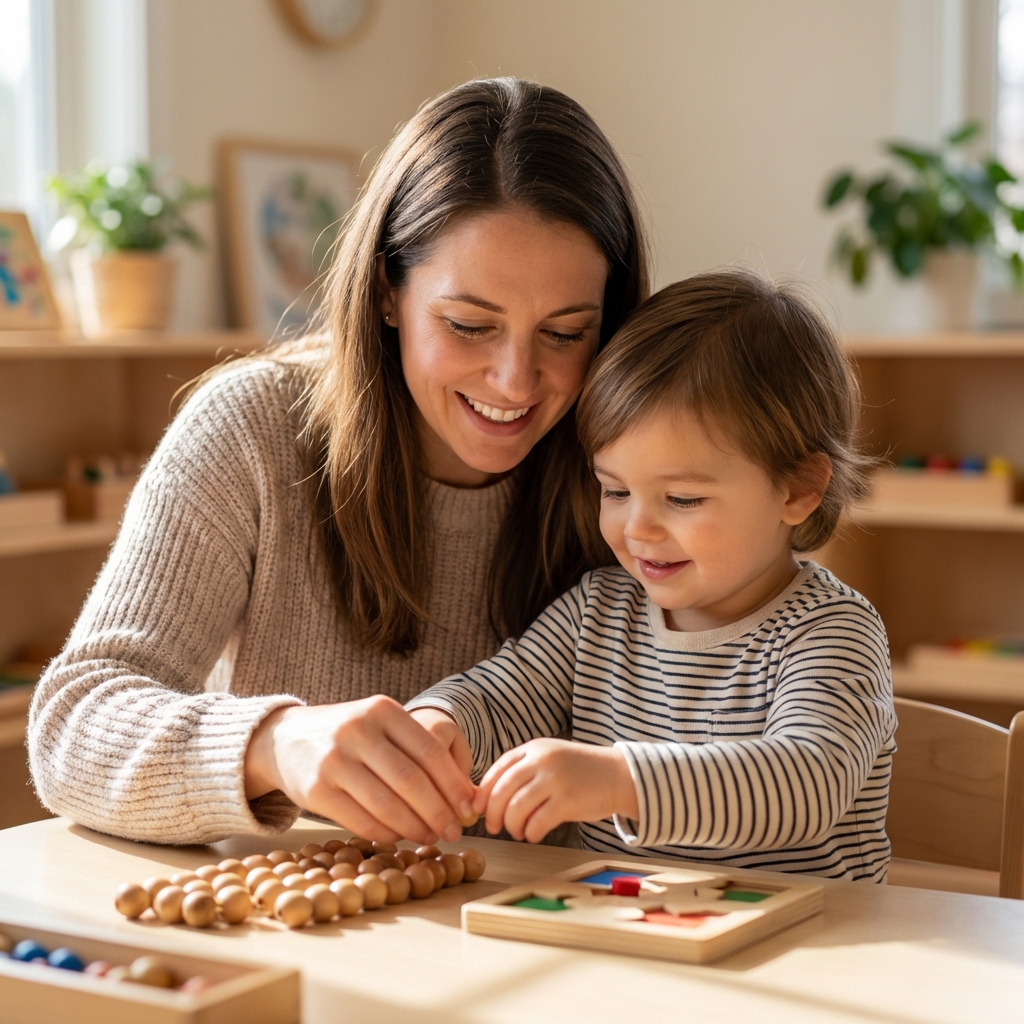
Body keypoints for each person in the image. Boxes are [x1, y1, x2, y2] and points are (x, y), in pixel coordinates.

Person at [27, 78, 649, 846]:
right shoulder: (253, 429)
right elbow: (71, 727)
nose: (517, 381)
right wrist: (274, 745)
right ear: (388, 291)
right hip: (305, 941)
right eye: (468, 324)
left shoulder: (638, 469)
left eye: (565, 333)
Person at [408, 270, 895, 880]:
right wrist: (438, 725)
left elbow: (807, 783)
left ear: (797, 489)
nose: (638, 529)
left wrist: (619, 780)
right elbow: (502, 695)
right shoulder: (598, 613)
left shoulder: (831, 631)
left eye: (683, 499)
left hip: (801, 948)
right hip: (630, 937)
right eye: (614, 490)